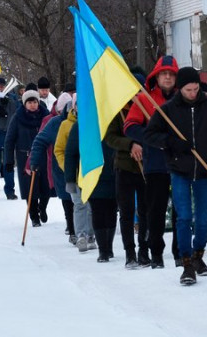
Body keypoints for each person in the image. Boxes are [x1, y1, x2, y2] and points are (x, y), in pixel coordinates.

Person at [144, 66, 207, 286]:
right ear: (180, 88)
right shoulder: (167, 110)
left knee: (201, 217)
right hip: (179, 169)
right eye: (188, 89)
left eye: (196, 89)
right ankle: (186, 261)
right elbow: (150, 135)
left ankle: (198, 255)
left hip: (204, 170)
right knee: (183, 217)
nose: (193, 93)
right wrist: (172, 143)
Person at [123, 55, 179, 269]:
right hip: (156, 164)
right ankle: (156, 253)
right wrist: (152, 138)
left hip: (180, 163)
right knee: (155, 210)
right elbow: (130, 126)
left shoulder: (182, 98)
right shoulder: (145, 99)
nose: (167, 78)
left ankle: (180, 252)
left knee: (181, 212)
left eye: (171, 74)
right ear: (157, 76)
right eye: (164, 74)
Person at [103, 87, 150, 269]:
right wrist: (130, 144)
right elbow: (110, 137)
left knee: (146, 211)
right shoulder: (118, 111)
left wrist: (143, 145)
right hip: (124, 167)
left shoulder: (147, 109)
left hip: (146, 167)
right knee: (126, 212)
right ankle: (130, 253)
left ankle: (144, 251)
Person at [65, 120, 118, 262]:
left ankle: (109, 247)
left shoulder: (113, 118)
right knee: (98, 210)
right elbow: (71, 152)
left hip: (115, 172)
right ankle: (103, 250)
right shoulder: (83, 123)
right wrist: (70, 179)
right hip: (91, 174)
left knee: (112, 210)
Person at [31, 95, 76, 242]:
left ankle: (83, 229)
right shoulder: (55, 123)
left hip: (81, 165)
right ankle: (72, 228)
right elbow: (39, 141)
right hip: (60, 166)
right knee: (67, 197)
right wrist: (34, 161)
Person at [4, 90, 50, 226]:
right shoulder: (17, 117)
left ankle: (43, 207)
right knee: (30, 188)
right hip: (26, 157)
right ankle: (34, 216)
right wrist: (8, 160)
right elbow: (9, 140)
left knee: (45, 187)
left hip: (44, 156)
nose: (33, 105)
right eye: (29, 102)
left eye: (35, 102)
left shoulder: (45, 115)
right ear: (24, 104)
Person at [56, 95, 96, 248]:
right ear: (74, 106)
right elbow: (59, 149)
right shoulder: (66, 125)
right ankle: (81, 235)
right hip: (75, 171)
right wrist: (67, 167)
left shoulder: (94, 122)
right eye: (78, 104)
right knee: (79, 204)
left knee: (92, 204)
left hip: (91, 170)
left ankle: (92, 235)